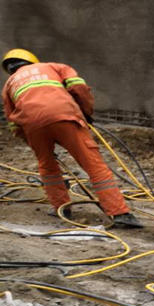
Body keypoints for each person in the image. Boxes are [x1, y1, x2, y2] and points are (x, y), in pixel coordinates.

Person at [2, 49, 142, 228]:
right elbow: (78, 87)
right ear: (32, 61)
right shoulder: (54, 66)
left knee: (47, 166)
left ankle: (61, 207)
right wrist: (86, 112)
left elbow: (13, 122)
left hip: (32, 125)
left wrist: (33, 141)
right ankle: (120, 213)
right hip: (65, 116)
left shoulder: (9, 85)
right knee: (93, 165)